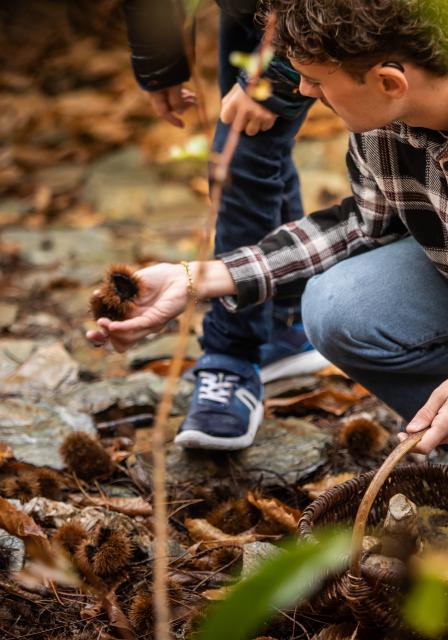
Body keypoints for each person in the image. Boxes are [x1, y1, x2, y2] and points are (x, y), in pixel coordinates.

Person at [91, 1, 448, 462]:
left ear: (388, 81)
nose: (302, 91)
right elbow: (364, 223)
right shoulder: (390, 106)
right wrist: (198, 279)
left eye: (316, 79)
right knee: (341, 305)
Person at [120, 0, 328, 451]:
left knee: (240, 151)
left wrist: (275, 81)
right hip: (246, 7)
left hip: (311, 11)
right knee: (260, 141)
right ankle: (285, 323)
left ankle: (232, 358)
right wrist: (161, 63)